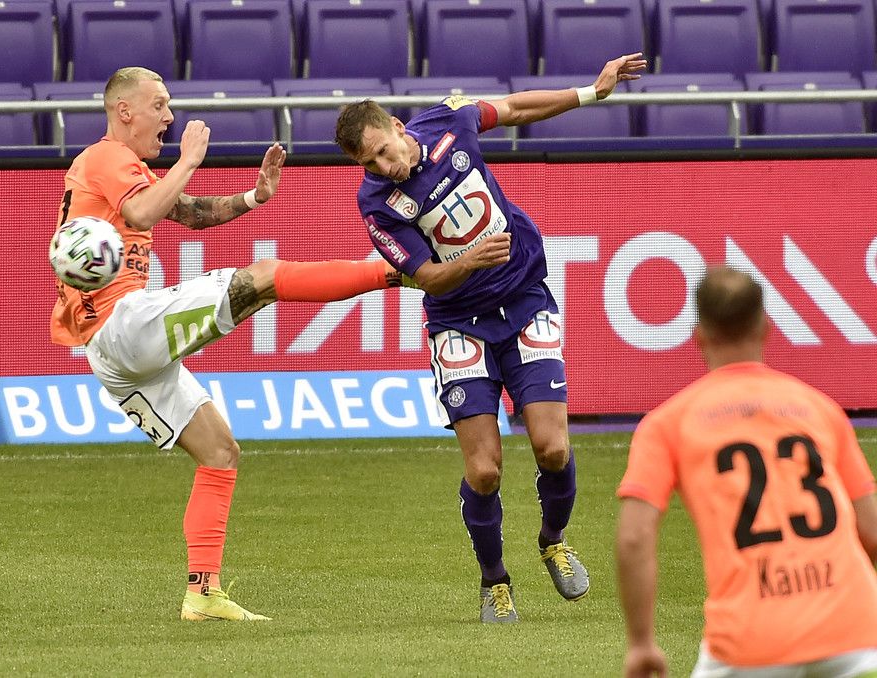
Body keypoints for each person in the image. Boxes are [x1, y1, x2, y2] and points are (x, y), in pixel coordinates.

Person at [50, 66, 403, 622]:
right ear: (124, 111)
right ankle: (397, 272)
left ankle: (202, 594)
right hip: (123, 322)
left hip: (109, 352)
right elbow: (142, 212)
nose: (169, 117)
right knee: (263, 277)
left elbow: (187, 213)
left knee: (219, 452)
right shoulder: (107, 156)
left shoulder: (123, 168)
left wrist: (253, 197)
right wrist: (189, 158)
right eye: (159, 105)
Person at [333, 53, 648, 622]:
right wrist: (471, 260)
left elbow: (514, 108)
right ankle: (494, 580)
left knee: (553, 448)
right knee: (484, 470)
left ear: (399, 128)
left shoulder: (448, 120)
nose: (384, 166)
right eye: (369, 162)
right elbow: (427, 277)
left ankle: (553, 540)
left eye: (384, 150)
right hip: (458, 322)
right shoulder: (375, 204)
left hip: (525, 300)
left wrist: (591, 92)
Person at [616, 266, 877, 677]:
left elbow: (634, 537)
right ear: (766, 328)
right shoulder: (820, 409)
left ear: (699, 336)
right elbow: (872, 530)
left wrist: (641, 643)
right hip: (853, 631)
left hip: (751, 642)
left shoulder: (668, 423)